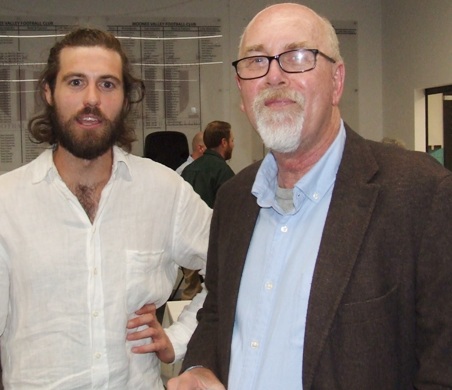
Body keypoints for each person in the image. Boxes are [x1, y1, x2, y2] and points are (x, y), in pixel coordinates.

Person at [168, 3, 452, 389]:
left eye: (297, 56)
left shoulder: (421, 195)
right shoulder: (235, 199)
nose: (274, 75)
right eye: (255, 61)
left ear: (336, 81)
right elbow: (217, 311)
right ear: (241, 91)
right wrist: (199, 365)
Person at [0, 28, 211, 389]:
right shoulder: (7, 202)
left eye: (108, 85)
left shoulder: (165, 192)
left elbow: (233, 270)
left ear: (126, 98)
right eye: (76, 82)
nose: (92, 99)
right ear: (49, 92)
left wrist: (178, 339)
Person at [181, 120, 235, 208]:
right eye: (232, 140)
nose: (233, 145)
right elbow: (230, 208)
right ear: (224, 142)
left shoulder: (188, 169)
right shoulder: (224, 172)